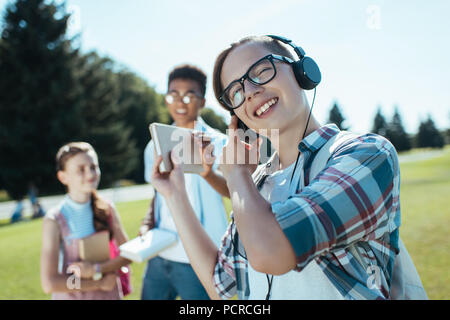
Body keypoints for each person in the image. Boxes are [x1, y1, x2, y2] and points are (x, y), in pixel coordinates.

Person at [150, 35, 402, 300]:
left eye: (261, 71)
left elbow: (269, 253)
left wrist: (236, 173)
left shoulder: (366, 154)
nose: (249, 91)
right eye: (236, 91)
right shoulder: (256, 183)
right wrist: (174, 194)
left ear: (301, 71)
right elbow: (219, 284)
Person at [139, 64, 229, 300]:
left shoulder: (219, 143)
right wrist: (148, 221)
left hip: (200, 256)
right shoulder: (154, 145)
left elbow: (234, 191)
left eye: (190, 94)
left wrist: (207, 173)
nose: (181, 101)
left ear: (203, 102)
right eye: (174, 94)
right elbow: (158, 193)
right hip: (160, 252)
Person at [40, 142, 131, 300]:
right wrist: (98, 283)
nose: (90, 174)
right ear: (63, 177)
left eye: (93, 167)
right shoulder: (54, 220)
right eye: (81, 169)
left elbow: (129, 254)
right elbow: (50, 283)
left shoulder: (107, 208)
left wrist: (98, 269)